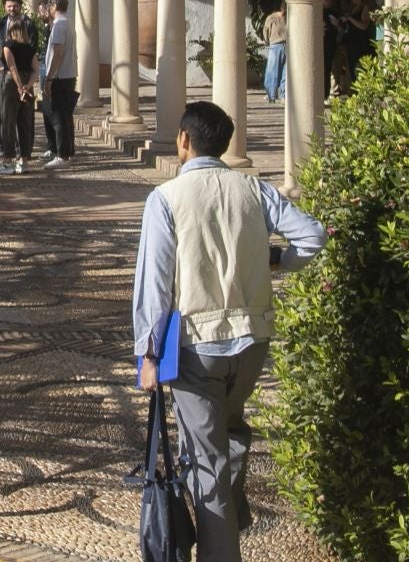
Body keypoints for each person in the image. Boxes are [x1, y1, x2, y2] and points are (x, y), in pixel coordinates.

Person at [133, 101, 326, 562]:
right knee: (231, 429)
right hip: (252, 342)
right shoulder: (254, 190)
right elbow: (313, 236)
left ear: (183, 140)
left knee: (207, 460)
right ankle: (230, 522)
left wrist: (148, 354)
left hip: (196, 346)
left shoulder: (167, 198)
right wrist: (283, 260)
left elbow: (155, 284)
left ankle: (221, 549)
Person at [0, 0, 38, 171]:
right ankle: (23, 162)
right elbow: (35, 71)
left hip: (12, 83)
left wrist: (19, 87)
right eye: (9, 6)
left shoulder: (9, 45)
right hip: (26, 83)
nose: (12, 9)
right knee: (24, 122)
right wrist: (28, 86)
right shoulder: (30, 48)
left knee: (8, 120)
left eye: (15, 5)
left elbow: (12, 68)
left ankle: (8, 161)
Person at [40, 0, 77, 168]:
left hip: (60, 76)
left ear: (54, 6)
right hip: (68, 75)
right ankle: (68, 151)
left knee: (59, 117)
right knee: (65, 115)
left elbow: (58, 53)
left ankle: (62, 155)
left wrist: (49, 78)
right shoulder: (68, 23)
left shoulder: (59, 27)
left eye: (50, 6)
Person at [260, 5, 287, 103]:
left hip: (281, 45)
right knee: (274, 71)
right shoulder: (272, 18)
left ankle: (279, 94)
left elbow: (266, 32)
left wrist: (267, 41)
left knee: (282, 72)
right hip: (277, 45)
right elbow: (266, 31)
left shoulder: (286, 17)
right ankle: (273, 94)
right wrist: (268, 41)